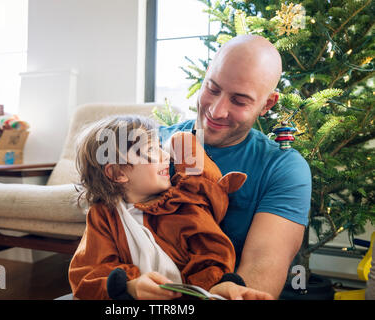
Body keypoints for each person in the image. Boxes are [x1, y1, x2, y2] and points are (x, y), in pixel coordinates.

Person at [158, 34, 312, 299]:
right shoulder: (149, 145)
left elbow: (264, 266)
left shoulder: (284, 168)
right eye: (212, 89)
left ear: (267, 104)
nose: (216, 111)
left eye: (239, 101)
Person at [68, 115, 273, 300]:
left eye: (159, 146)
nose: (166, 156)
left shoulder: (181, 205)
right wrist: (129, 286)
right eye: (150, 150)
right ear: (116, 174)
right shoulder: (104, 215)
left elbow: (211, 253)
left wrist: (218, 286)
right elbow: (88, 272)